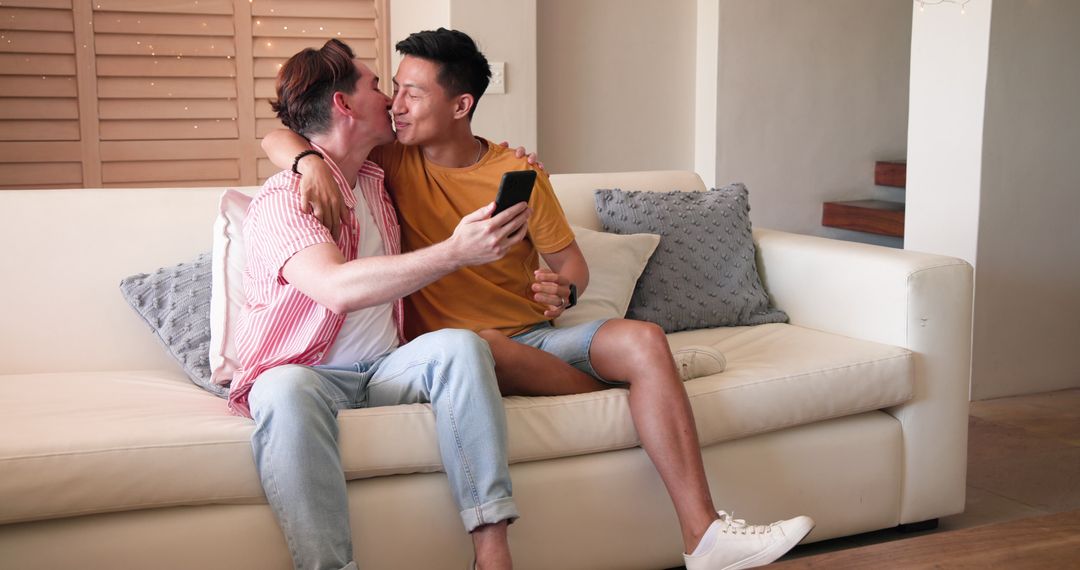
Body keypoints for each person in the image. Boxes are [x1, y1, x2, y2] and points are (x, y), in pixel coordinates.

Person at [264, 28, 814, 570]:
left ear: (461, 105)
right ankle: (653, 382)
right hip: (464, 351)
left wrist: (565, 289)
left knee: (645, 340)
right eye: (393, 88)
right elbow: (289, 134)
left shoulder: (515, 171)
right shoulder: (389, 161)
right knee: (478, 345)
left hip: (540, 338)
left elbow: (570, 264)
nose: (395, 104)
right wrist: (305, 161)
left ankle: (705, 536)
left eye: (412, 92)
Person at [234, 39, 529, 570]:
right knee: (281, 388)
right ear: (344, 106)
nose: (393, 100)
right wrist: (455, 253)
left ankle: (492, 554)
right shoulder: (285, 198)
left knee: (460, 350)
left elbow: (462, 156)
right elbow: (337, 287)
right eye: (378, 87)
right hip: (311, 373)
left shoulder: (377, 176)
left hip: (387, 368)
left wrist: (510, 160)